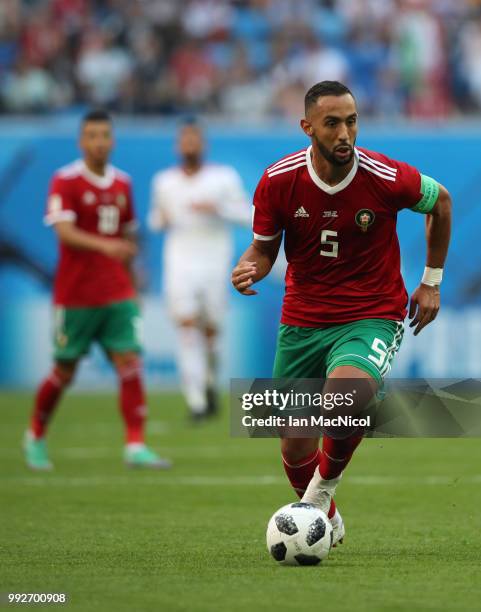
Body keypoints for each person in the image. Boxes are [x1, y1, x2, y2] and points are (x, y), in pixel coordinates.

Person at [231, 81, 451, 545]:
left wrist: (431, 281)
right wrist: (251, 266)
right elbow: (265, 249)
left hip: (372, 313)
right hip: (303, 320)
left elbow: (441, 202)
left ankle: (316, 499)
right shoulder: (278, 180)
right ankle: (324, 514)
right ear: (307, 127)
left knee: (345, 399)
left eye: (351, 121)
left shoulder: (387, 176)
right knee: (292, 440)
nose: (345, 133)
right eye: (332, 123)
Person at [24, 109, 170, 470]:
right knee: (65, 370)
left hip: (116, 291)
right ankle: (36, 434)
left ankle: (135, 444)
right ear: (81, 141)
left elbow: (127, 236)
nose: (99, 142)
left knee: (130, 362)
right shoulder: (66, 180)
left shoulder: (122, 183)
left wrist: (133, 283)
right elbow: (64, 232)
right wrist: (107, 246)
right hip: (75, 295)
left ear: (113, 140)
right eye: (92, 135)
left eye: (105, 135)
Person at [149, 121, 250, 421]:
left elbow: (249, 215)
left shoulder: (222, 178)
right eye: (185, 139)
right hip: (179, 263)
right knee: (186, 327)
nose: (189, 144)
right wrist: (162, 218)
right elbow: (154, 220)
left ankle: (208, 384)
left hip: (214, 263)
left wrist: (218, 208)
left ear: (203, 144)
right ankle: (195, 401)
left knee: (211, 334)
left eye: (195, 139)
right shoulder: (165, 181)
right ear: (178, 145)